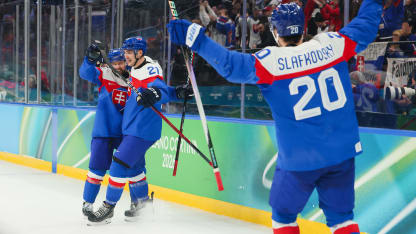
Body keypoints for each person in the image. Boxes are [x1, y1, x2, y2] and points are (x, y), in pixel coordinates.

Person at [167, 1, 382, 233]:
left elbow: (230, 66)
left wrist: (195, 39)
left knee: (284, 218)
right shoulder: (334, 44)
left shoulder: (270, 62)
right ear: (304, 26)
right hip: (342, 153)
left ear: (275, 31)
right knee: (342, 220)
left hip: (299, 159)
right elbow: (367, 24)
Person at [87, 36, 192, 224]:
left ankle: (108, 207)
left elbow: (157, 85)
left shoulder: (149, 67)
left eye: (128, 52)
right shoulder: (133, 69)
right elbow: (161, 90)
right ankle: (143, 205)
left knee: (118, 163)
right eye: (125, 52)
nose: (125, 56)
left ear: (140, 53)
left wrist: (156, 93)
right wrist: (176, 91)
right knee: (133, 166)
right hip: (131, 127)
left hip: (142, 129)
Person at [79, 47, 130, 219]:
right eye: (114, 63)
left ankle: (139, 203)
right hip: (104, 131)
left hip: (125, 133)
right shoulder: (104, 73)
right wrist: (89, 59)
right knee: (96, 169)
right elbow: (85, 73)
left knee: (133, 169)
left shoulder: (134, 78)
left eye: (121, 62)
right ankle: (87, 202)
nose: (118, 66)